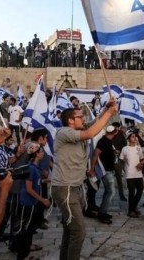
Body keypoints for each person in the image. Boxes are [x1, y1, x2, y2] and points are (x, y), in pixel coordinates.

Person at [51, 98, 118, 260]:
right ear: (70, 121)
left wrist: (106, 109)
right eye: (80, 117)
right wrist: (109, 113)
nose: (84, 119)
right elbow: (90, 132)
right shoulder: (64, 132)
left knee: (70, 229)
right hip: (65, 188)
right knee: (79, 231)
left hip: (75, 187)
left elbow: (94, 124)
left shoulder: (76, 130)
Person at [12, 142, 51, 260]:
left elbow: (34, 182)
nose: (43, 153)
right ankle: (22, 254)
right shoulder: (31, 169)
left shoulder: (35, 167)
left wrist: (43, 182)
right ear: (36, 154)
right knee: (26, 229)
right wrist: (43, 200)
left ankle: (25, 250)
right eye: (41, 151)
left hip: (32, 203)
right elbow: (29, 189)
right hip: (27, 203)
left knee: (32, 225)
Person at [88, 125, 119, 224]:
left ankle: (102, 211)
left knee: (108, 191)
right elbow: (95, 154)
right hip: (105, 170)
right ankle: (102, 213)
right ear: (114, 132)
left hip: (108, 169)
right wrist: (92, 169)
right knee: (111, 192)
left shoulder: (107, 141)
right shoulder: (103, 141)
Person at [119, 130, 144, 218]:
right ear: (129, 138)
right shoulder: (125, 148)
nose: (135, 138)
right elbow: (121, 159)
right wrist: (123, 160)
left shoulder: (139, 148)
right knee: (131, 193)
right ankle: (131, 211)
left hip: (138, 173)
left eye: (135, 136)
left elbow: (141, 159)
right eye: (132, 136)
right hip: (129, 173)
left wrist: (141, 165)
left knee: (140, 190)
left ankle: (134, 207)